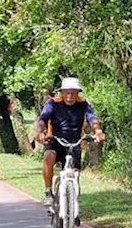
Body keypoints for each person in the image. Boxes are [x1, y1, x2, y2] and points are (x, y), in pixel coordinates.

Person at [34, 77, 105, 207]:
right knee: (48, 156)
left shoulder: (83, 103)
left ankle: (73, 205)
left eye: (73, 93)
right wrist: (40, 132)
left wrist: (98, 131)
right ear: (62, 92)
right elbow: (43, 119)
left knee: (75, 173)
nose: (69, 96)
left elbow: (92, 118)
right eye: (67, 92)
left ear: (78, 93)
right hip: (54, 139)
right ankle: (48, 192)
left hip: (74, 142)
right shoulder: (53, 103)